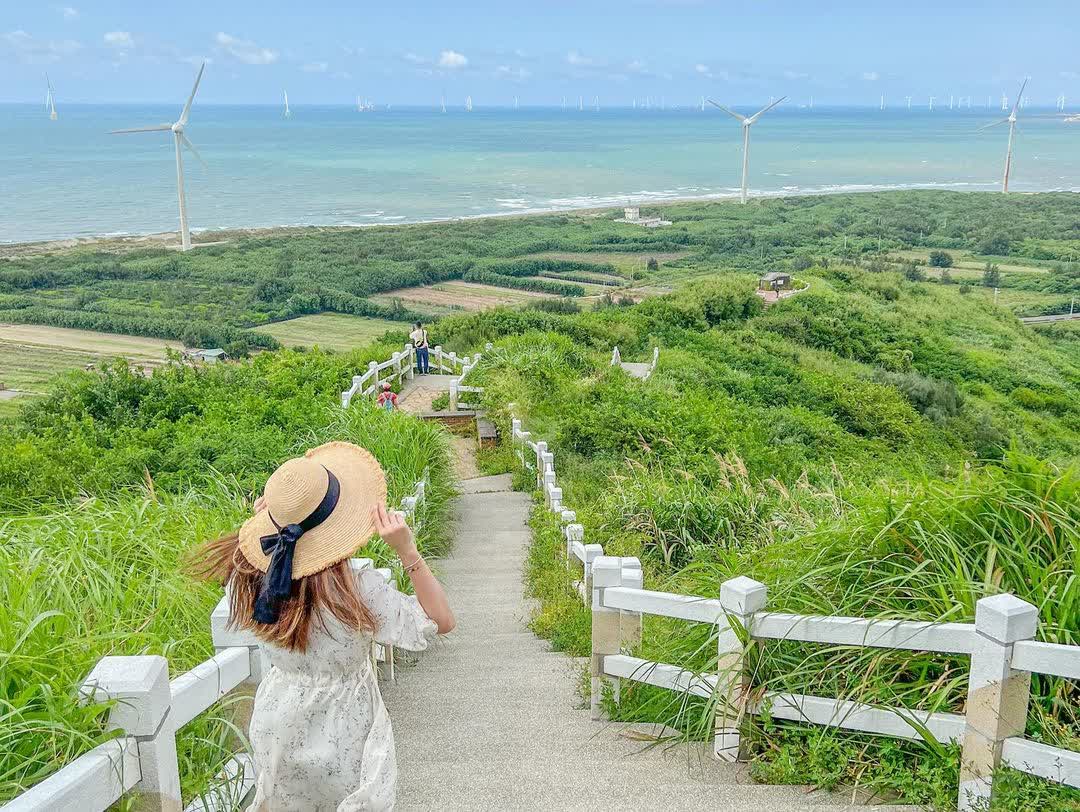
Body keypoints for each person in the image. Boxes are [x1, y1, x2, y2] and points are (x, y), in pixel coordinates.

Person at [188, 441, 454, 811]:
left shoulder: (249, 580)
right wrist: (407, 551)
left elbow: (260, 555)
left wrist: (274, 519)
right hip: (345, 728)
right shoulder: (358, 593)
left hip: (277, 722)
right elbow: (441, 621)